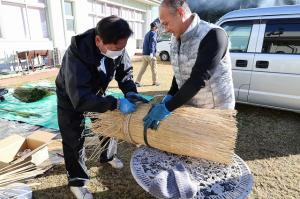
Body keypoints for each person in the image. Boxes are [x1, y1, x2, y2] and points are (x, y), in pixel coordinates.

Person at [55, 15, 148, 199]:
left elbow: (125, 73)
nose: (120, 52)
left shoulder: (117, 47)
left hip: (96, 92)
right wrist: (116, 103)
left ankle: (108, 156)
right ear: (99, 41)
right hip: (71, 97)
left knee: (107, 126)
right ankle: (77, 181)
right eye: (116, 49)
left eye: (122, 48)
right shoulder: (77, 54)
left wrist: (129, 91)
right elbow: (80, 99)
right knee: (74, 137)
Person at [143, 0, 235, 129]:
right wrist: (171, 94)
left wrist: (168, 107)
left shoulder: (213, 35)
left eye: (166, 23)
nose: (166, 29)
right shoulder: (176, 38)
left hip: (214, 111)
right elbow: (179, 70)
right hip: (190, 107)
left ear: (180, 12)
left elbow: (198, 79)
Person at [135, 22, 160, 87]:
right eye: (157, 28)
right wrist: (152, 52)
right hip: (150, 55)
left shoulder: (147, 33)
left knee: (142, 69)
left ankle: (137, 81)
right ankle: (155, 82)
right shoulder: (153, 33)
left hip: (145, 54)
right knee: (154, 69)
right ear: (154, 28)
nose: (157, 29)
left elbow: (145, 44)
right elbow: (152, 43)